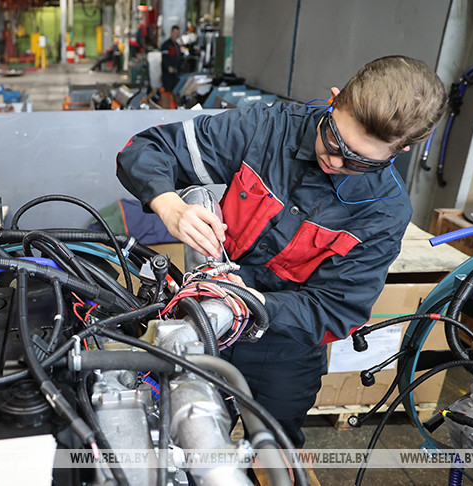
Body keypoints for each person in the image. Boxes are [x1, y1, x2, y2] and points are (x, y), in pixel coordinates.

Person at [116, 56, 446, 447]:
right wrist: (169, 205)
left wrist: (258, 304)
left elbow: (339, 309)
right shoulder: (266, 130)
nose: (335, 161)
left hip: (283, 341)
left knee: (274, 447)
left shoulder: (384, 212)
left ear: (402, 149)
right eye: (334, 139)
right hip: (202, 313)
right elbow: (147, 148)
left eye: (359, 161)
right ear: (334, 101)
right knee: (167, 434)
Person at [161, 25, 181, 93]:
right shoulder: (166, 45)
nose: (176, 34)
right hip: (167, 74)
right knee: (168, 91)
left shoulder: (177, 45)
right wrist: (168, 67)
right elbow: (164, 58)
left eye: (177, 33)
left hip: (175, 73)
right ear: (171, 32)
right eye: (175, 32)